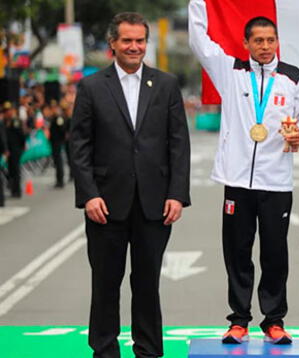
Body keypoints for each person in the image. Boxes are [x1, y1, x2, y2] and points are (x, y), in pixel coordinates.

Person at [189, 0, 299, 345]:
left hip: (277, 181)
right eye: (258, 40)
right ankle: (239, 319)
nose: (265, 46)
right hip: (237, 180)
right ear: (246, 43)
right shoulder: (230, 71)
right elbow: (198, 39)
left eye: (270, 40)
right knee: (237, 251)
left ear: (277, 42)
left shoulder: (293, 78)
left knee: (275, 252)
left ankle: (274, 320)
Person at [70, 12, 190, 358]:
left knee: (147, 284)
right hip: (105, 205)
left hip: (154, 204)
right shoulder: (92, 86)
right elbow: (79, 146)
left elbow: (178, 143)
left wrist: (177, 194)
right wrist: (89, 195)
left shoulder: (165, 84)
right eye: (127, 40)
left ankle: (149, 350)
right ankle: (104, 350)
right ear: (113, 44)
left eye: (140, 41)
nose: (134, 47)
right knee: (106, 285)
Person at [3, 102, 27, 198]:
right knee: (11, 169)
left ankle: (17, 191)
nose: (8, 112)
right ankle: (12, 189)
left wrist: (23, 145)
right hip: (8, 148)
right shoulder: (5, 121)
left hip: (16, 148)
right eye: (6, 111)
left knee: (16, 170)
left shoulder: (15, 121)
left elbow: (21, 134)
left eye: (9, 110)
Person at [46, 100, 69, 188]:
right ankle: (59, 180)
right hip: (54, 141)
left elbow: (62, 129)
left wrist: (61, 139)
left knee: (59, 161)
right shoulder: (54, 117)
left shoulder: (58, 118)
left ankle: (60, 180)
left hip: (57, 142)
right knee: (57, 161)